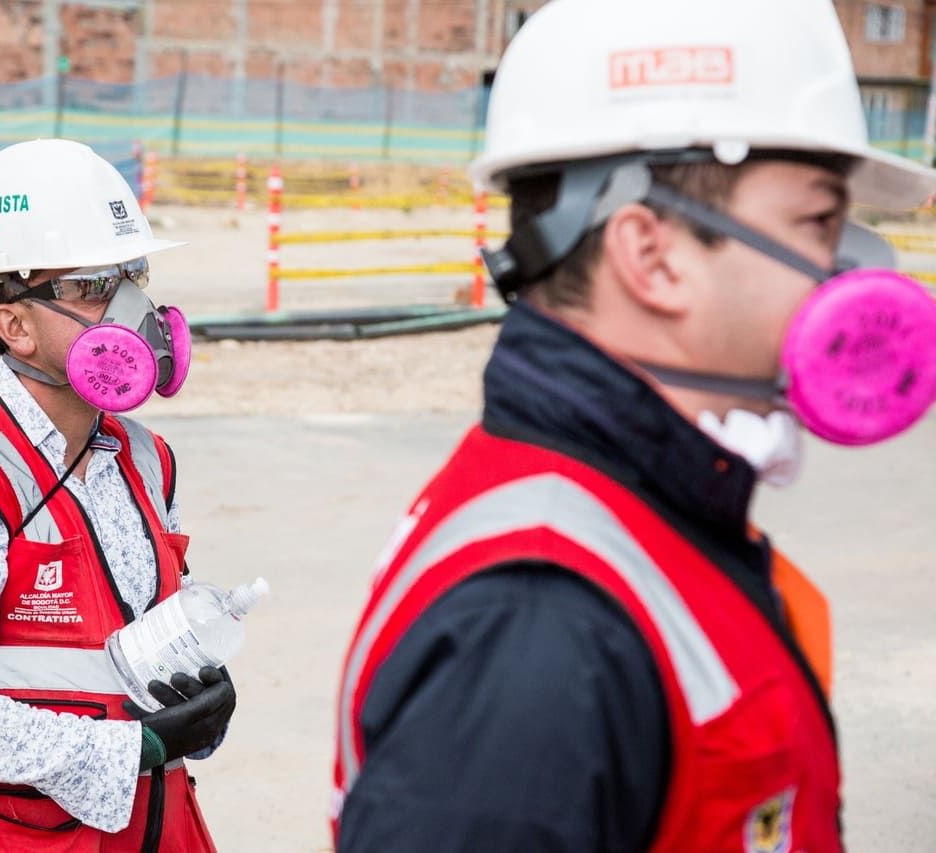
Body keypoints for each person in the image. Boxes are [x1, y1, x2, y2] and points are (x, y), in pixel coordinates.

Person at [332, 0, 936, 850]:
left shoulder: (635, 510)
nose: (854, 273)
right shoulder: (536, 634)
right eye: (818, 223)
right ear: (651, 256)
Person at [0, 139, 232, 851]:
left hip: (151, 822)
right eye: (95, 286)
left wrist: (196, 689)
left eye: (134, 274)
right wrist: (131, 749)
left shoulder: (144, 457)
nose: (134, 307)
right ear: (14, 325)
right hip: (9, 834)